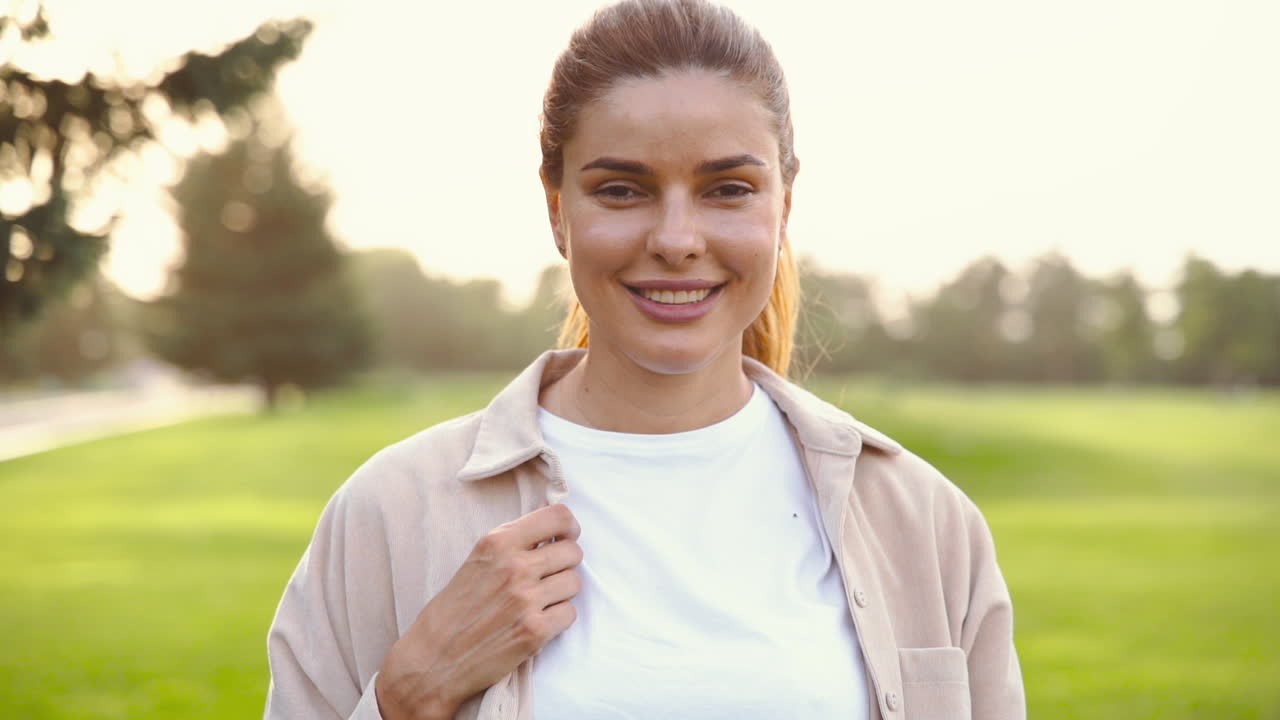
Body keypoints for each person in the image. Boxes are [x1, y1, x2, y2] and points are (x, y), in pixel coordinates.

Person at [263, 0, 1025, 718]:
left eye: (727, 188)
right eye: (622, 189)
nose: (675, 238)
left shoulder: (924, 522)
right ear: (558, 208)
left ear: (783, 205)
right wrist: (406, 694)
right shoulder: (390, 515)